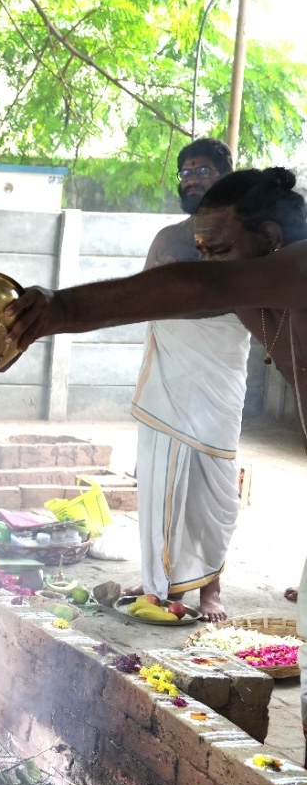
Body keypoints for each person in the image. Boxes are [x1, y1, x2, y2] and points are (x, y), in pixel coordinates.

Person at [0, 167, 307, 759]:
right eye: (201, 249)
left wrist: (60, 310)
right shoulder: (256, 291)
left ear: (268, 237)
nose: (207, 261)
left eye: (218, 249)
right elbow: (184, 289)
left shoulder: (298, 264)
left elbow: (196, 288)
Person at [129, 138, 244, 621]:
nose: (192, 178)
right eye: (185, 172)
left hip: (220, 368)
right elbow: (140, 295)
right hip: (171, 375)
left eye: (202, 170)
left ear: (225, 176)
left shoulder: (249, 237)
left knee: (214, 482)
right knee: (162, 479)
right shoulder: (167, 238)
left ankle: (209, 588)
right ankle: (163, 584)